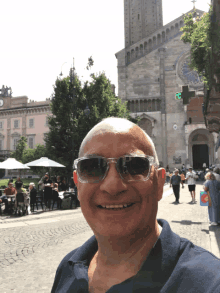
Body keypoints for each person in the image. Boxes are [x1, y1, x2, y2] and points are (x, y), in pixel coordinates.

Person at [51, 117, 220, 293]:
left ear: (159, 183)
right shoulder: (67, 268)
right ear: (78, 184)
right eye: (92, 167)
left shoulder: (209, 282)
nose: (112, 186)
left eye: (134, 166)